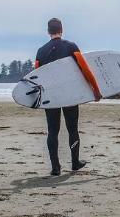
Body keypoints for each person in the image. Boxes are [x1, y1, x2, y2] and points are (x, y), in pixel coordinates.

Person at [35, 17, 93, 176]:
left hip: (51, 96)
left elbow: (37, 77)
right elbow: (85, 69)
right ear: (62, 30)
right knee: (72, 129)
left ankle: (55, 167)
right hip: (69, 95)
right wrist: (94, 89)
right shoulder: (71, 47)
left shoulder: (41, 51)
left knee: (52, 131)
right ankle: (75, 162)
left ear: (48, 32)